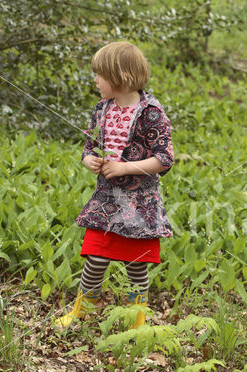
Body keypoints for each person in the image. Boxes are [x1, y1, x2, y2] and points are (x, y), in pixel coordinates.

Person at [54, 41, 174, 329]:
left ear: (120, 77)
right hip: (106, 198)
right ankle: (83, 309)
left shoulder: (150, 112)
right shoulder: (102, 109)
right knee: (95, 255)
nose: (95, 80)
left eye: (100, 75)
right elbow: (89, 146)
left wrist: (125, 167)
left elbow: (165, 158)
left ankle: (137, 319)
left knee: (136, 264)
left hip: (138, 201)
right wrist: (89, 160)